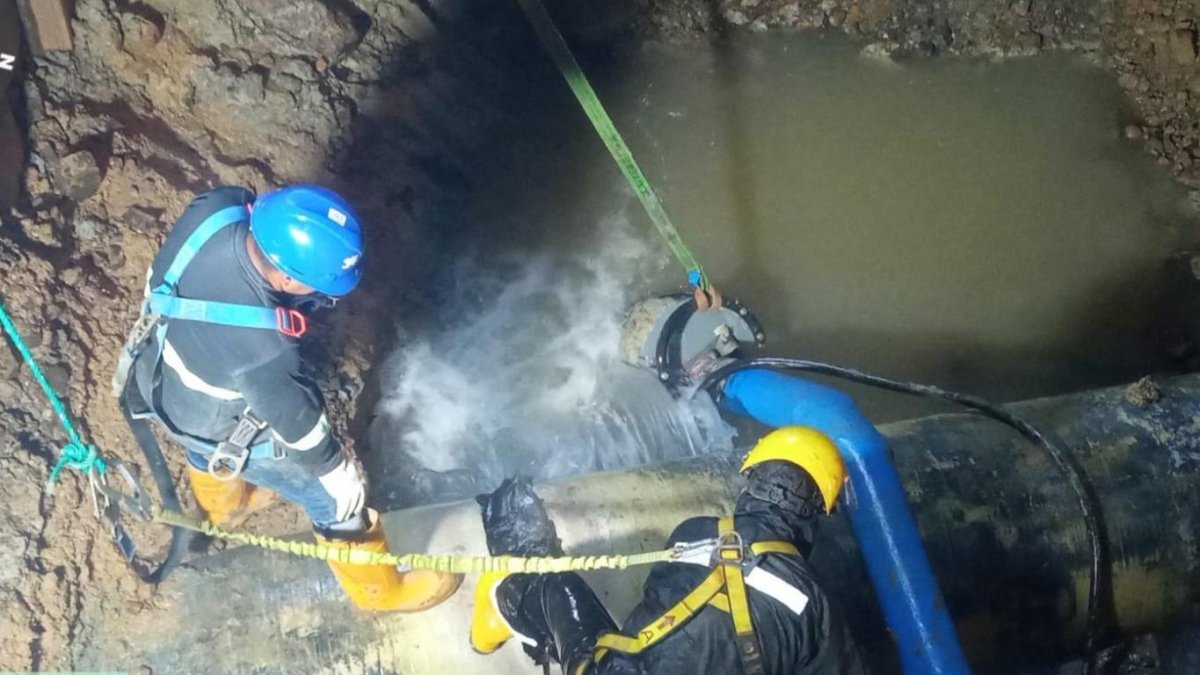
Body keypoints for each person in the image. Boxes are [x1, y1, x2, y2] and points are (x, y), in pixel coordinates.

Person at [113, 185, 460, 611]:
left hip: (160, 380)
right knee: (335, 501)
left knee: (204, 444)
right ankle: (382, 594)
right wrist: (336, 472)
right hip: (213, 421)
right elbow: (295, 421)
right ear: (288, 278)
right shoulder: (263, 347)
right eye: (315, 286)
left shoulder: (217, 206)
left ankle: (225, 509)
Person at [469, 426, 865, 674]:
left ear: (751, 479)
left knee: (550, 578)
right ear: (817, 512)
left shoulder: (695, 531)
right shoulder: (818, 606)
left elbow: (658, 600)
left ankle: (490, 623)